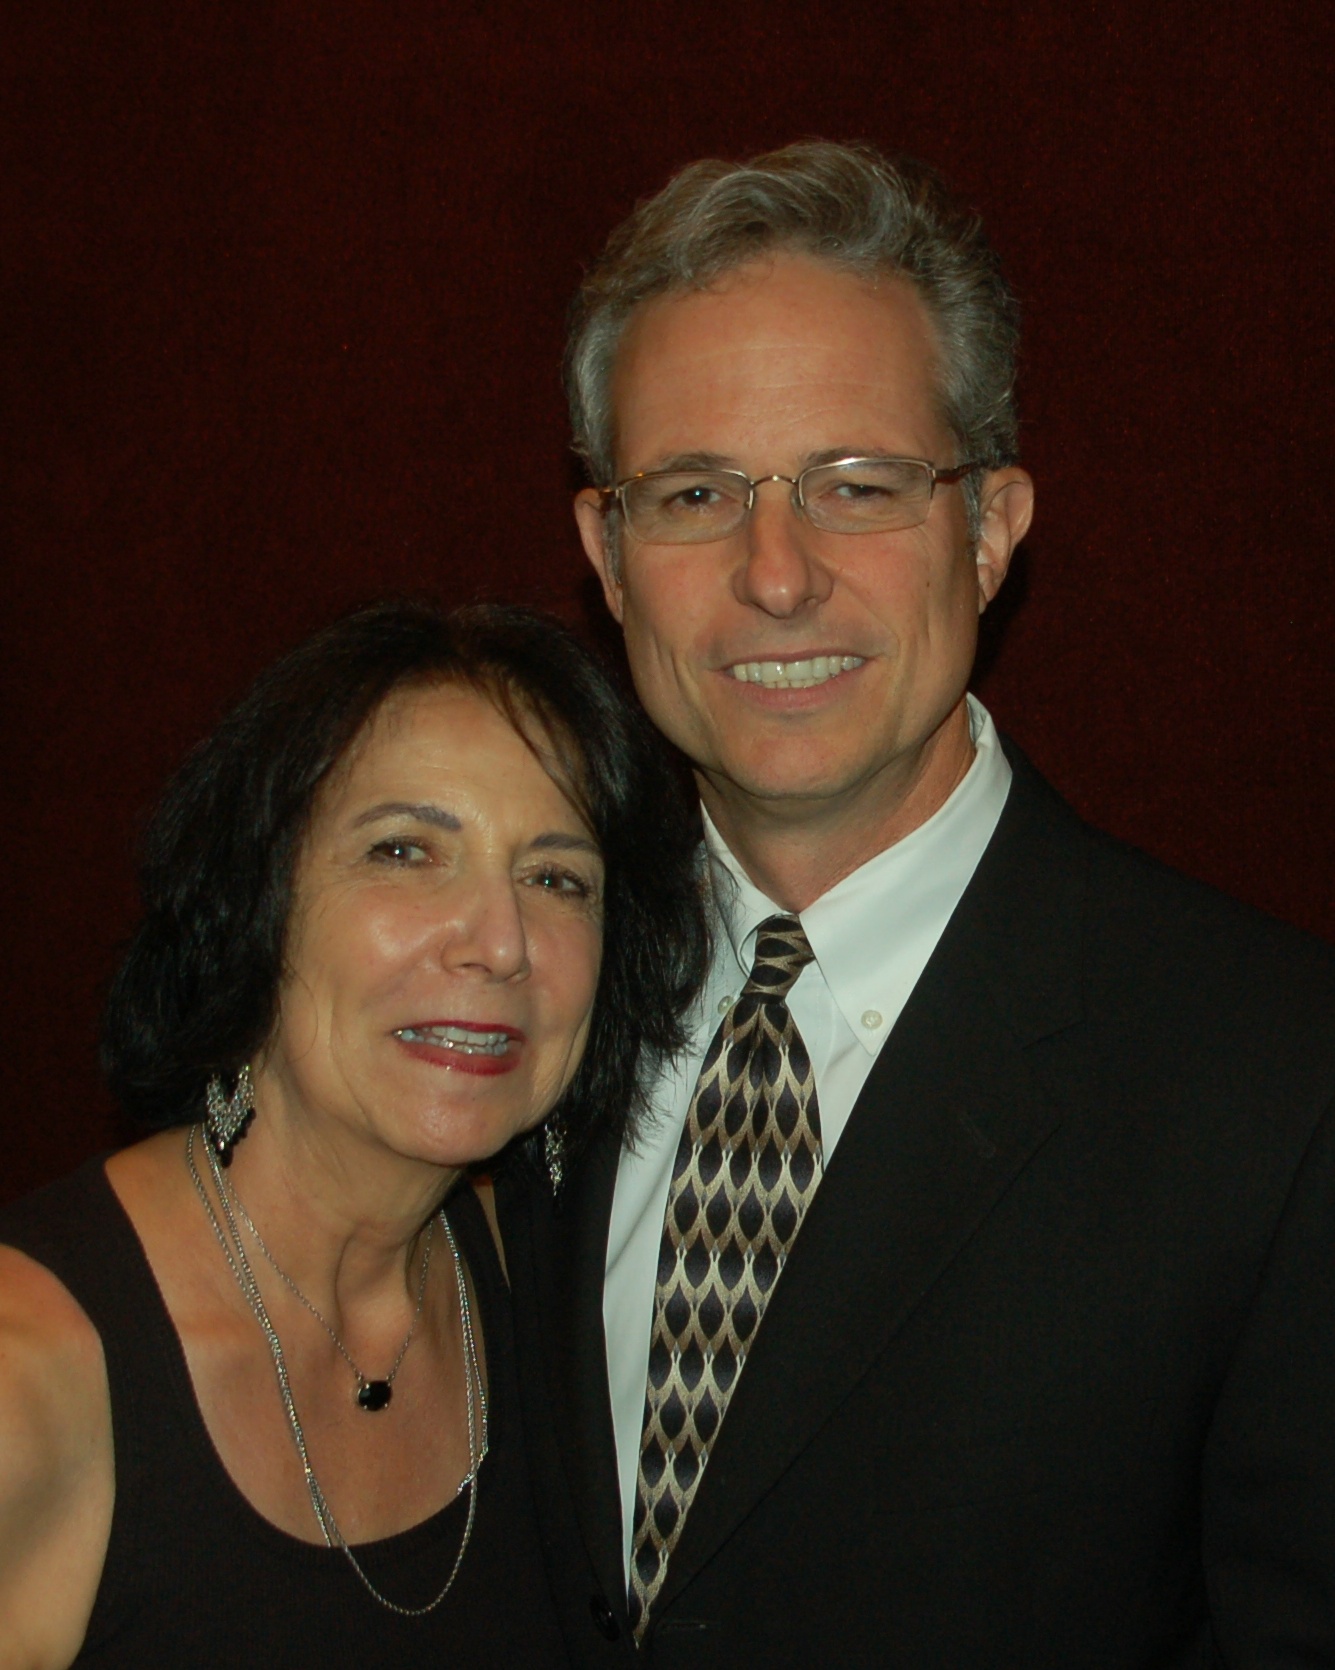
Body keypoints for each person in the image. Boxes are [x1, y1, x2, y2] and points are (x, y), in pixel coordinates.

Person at [496, 142, 1335, 1665]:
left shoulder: (1275, 1081)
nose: (775, 575)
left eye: (857, 486)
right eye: (695, 492)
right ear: (606, 555)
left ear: (990, 526)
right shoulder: (507, 986)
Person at [0, 598, 708, 1667]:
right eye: (405, 851)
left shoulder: (563, 1293)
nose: (501, 942)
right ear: (255, 899)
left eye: (556, 877)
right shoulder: (32, 1379)